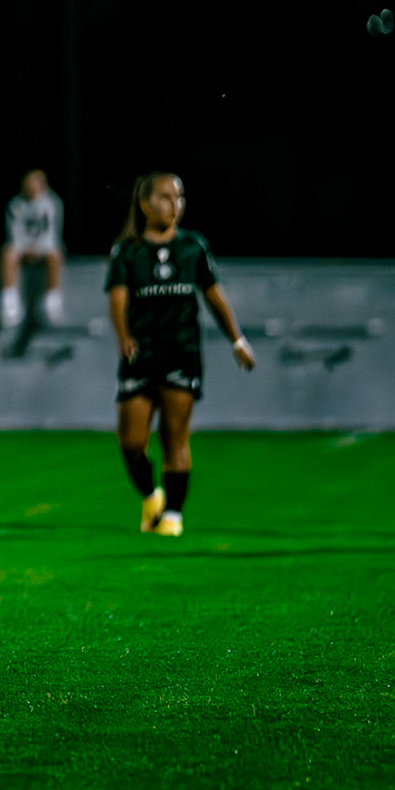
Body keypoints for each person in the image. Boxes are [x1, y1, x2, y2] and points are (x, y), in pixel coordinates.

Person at [105, 172, 255, 537]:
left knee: (175, 436)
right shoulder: (128, 251)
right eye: (165, 197)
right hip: (141, 353)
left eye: (180, 197)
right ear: (144, 204)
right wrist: (123, 335)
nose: (175, 205)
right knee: (132, 443)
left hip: (181, 352)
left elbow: (214, 296)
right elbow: (117, 298)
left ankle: (173, 515)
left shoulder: (193, 247)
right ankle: (151, 494)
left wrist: (236, 339)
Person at [1, 169, 64, 326]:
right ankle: (10, 301)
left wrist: (38, 249)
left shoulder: (52, 203)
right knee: (8, 254)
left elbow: (52, 233)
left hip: (44, 248)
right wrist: (25, 248)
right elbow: (14, 232)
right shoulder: (16, 205)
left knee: (55, 254)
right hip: (22, 248)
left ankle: (52, 301)